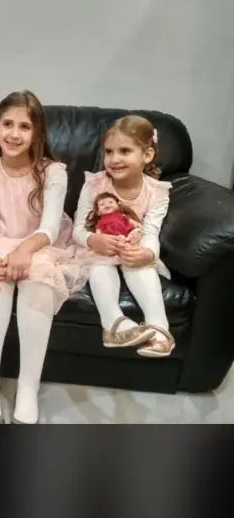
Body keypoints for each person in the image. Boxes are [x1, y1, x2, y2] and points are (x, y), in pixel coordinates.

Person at [0, 91, 85, 425]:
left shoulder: (53, 172)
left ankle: (27, 387)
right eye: (7, 124)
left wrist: (24, 250)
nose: (14, 133)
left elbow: (49, 226)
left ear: (36, 133)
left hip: (41, 245)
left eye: (24, 126)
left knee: (38, 278)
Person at [73, 115, 175, 357]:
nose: (114, 159)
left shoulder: (157, 192)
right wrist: (93, 240)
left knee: (141, 266)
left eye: (125, 151)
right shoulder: (94, 184)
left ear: (147, 155)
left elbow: (151, 230)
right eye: (109, 152)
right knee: (99, 266)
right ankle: (112, 324)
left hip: (132, 243)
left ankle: (159, 328)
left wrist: (148, 253)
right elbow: (78, 229)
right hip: (100, 247)